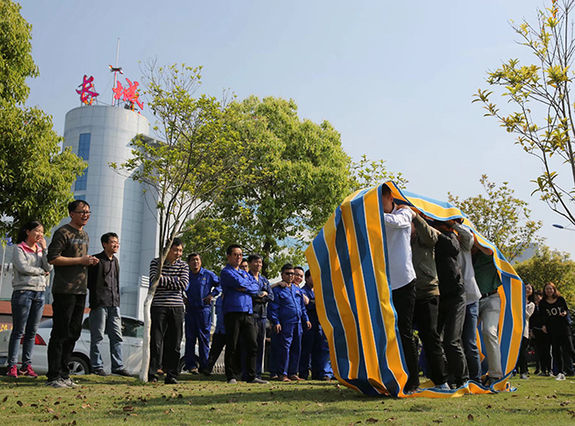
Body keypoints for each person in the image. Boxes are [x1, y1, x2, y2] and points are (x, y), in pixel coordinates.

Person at [46, 200, 99, 388]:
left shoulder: (84, 235)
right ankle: (53, 376)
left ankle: (64, 373)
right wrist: (80, 260)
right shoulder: (63, 232)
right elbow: (53, 258)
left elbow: (80, 260)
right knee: (60, 332)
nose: (86, 215)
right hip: (64, 290)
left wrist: (88, 262)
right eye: (82, 212)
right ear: (71, 213)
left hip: (80, 290)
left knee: (73, 332)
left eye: (88, 212)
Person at [380, 184, 419, 394]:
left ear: (389, 197)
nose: (378, 206)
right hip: (384, 283)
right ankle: (393, 375)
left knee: (405, 331)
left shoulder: (404, 213)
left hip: (404, 282)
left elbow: (397, 222)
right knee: (388, 332)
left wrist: (372, 215)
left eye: (380, 200)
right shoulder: (378, 218)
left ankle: (413, 379)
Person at [6, 221, 52, 378]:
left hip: (40, 293)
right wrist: (41, 271)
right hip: (23, 292)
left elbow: (50, 267)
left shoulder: (40, 250)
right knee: (18, 331)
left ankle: (26, 366)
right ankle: (12, 366)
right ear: (27, 231)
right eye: (37, 231)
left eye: (42, 232)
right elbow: (23, 267)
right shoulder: (19, 248)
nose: (40, 234)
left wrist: (45, 249)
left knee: (32, 332)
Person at [410, 213, 449, 390]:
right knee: (406, 337)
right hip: (408, 293)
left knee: (430, 337)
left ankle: (441, 380)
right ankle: (411, 380)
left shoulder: (425, 238)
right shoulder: (401, 240)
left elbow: (433, 237)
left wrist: (415, 216)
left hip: (428, 292)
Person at [220, 244, 268, 384]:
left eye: (240, 255)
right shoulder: (226, 272)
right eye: (235, 254)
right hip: (233, 311)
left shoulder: (245, 273)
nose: (238, 257)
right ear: (229, 256)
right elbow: (242, 284)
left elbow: (255, 286)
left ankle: (252, 376)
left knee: (253, 343)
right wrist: (248, 287)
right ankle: (231, 375)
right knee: (232, 345)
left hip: (248, 312)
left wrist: (244, 288)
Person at [87, 232, 130, 376]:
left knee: (117, 336)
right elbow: (89, 282)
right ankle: (96, 366)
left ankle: (118, 366)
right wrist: (97, 298)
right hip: (100, 303)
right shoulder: (96, 260)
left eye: (117, 242)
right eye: (112, 242)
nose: (116, 244)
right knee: (97, 336)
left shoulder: (115, 261)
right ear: (104, 244)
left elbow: (116, 283)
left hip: (114, 304)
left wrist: (117, 300)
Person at [148, 238, 189, 384]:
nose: (178, 253)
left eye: (180, 250)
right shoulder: (156, 262)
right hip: (159, 306)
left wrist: (164, 279)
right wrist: (173, 280)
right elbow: (154, 280)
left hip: (177, 307)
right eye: (176, 250)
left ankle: (171, 374)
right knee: (156, 341)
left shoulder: (183, 265)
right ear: (168, 249)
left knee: (175, 342)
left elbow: (183, 284)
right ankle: (153, 372)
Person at [433, 220, 468, 388]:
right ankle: (446, 378)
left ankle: (463, 380)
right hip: (439, 295)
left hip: (456, 295)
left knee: (451, 341)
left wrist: (441, 230)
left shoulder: (450, 237)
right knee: (435, 339)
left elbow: (454, 248)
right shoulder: (430, 237)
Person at [268, 263, 311, 382]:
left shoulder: (297, 290)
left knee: (296, 348)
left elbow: (302, 307)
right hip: (285, 323)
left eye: (292, 274)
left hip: (298, 323)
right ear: (282, 275)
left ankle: (293, 372)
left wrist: (306, 319)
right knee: (284, 348)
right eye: (287, 273)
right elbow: (273, 308)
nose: (290, 276)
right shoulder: (277, 290)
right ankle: (283, 373)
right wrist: (276, 321)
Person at [453, 221, 482, 383]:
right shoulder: (442, 240)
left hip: (470, 297)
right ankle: (460, 378)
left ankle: (476, 379)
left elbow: (468, 236)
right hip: (453, 298)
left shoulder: (463, 245)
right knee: (454, 341)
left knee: (470, 342)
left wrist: (453, 223)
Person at [472, 241, 503, 386]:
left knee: (489, 332)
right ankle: (472, 373)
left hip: (491, 298)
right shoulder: (466, 256)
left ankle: (495, 375)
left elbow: (490, 252)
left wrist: (474, 239)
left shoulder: (486, 253)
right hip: (473, 300)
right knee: (464, 336)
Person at [184, 253, 220, 375]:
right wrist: (182, 298)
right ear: (189, 263)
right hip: (190, 310)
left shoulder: (208, 274)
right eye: (192, 260)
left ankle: (205, 366)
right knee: (190, 338)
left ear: (201, 261)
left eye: (197, 260)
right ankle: (191, 366)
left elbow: (220, 284)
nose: (195, 262)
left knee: (204, 339)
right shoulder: (186, 275)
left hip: (203, 310)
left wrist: (212, 295)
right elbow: (179, 287)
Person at [299, 269, 333, 380]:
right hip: (308, 324)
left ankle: (318, 373)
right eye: (313, 277)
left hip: (319, 324)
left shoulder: (318, 291)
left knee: (319, 349)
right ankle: (303, 373)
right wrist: (315, 303)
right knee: (307, 349)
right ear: (307, 278)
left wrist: (313, 302)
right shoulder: (303, 291)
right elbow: (308, 304)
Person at [540, 282, 574, 380]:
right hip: (552, 329)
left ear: (554, 290)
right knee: (556, 351)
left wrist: (564, 313)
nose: (549, 291)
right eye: (547, 289)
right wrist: (543, 325)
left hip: (564, 327)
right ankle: (560, 372)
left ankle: (570, 370)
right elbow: (542, 316)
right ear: (544, 291)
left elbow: (566, 310)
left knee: (569, 349)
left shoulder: (560, 299)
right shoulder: (543, 303)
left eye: (550, 289)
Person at [247, 254, 273, 379]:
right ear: (250, 263)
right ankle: (247, 372)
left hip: (262, 316)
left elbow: (271, 296)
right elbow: (249, 294)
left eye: (260, 262)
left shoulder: (264, 280)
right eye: (256, 262)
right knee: (250, 344)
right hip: (251, 314)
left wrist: (262, 297)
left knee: (260, 346)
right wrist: (260, 295)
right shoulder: (246, 278)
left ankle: (257, 373)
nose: (259, 265)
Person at [530, 290, 551, 375]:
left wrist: (545, 325)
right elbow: (531, 320)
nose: (537, 298)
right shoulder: (533, 307)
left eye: (539, 296)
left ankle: (549, 369)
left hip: (545, 331)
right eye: (536, 297)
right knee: (539, 351)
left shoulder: (545, 306)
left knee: (547, 351)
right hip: (536, 330)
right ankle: (543, 370)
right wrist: (531, 330)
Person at [516, 283, 535, 379]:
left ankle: (523, 371)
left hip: (524, 330)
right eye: (525, 288)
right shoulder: (516, 299)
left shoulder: (531, 304)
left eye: (529, 288)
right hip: (514, 329)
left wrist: (521, 305)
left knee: (522, 351)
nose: (527, 290)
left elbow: (527, 315)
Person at [205, 295, 226, 374]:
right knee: (214, 351)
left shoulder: (231, 299)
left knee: (231, 352)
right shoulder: (219, 299)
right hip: (219, 329)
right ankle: (208, 368)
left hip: (229, 329)